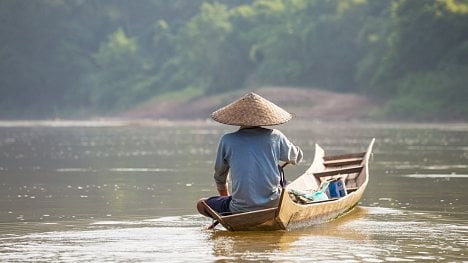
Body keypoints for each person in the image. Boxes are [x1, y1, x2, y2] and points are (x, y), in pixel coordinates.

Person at [196, 92, 303, 218]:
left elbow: (220, 177)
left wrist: (227, 203)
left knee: (201, 204)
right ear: (264, 117)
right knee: (283, 181)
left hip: (239, 208)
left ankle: (231, 211)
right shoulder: (275, 136)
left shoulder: (227, 140)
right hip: (275, 205)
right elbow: (296, 158)